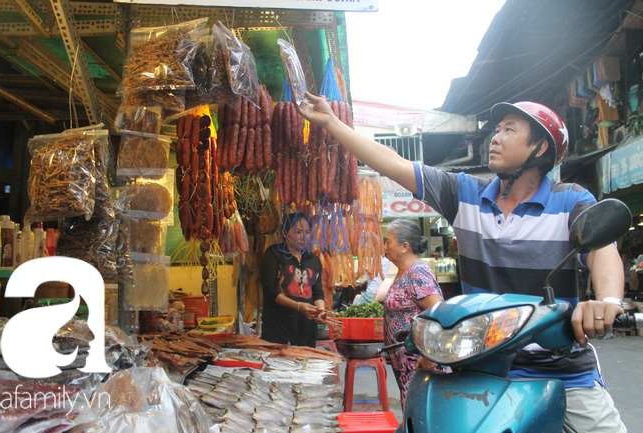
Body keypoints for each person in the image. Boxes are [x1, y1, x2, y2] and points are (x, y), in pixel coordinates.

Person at [298, 95, 626, 432]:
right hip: (479, 367)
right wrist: (332, 124)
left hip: (560, 370)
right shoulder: (465, 193)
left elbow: (603, 249)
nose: (495, 137)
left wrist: (607, 302)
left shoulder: (571, 199)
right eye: (496, 130)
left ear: (540, 148)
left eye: (509, 130)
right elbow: (391, 162)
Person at [381, 219, 443, 407]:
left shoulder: (417, 272)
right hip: (405, 364)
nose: (385, 246)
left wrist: (429, 356)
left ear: (404, 246)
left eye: (388, 241)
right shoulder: (403, 272)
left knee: (421, 415)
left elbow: (441, 313)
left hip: (419, 364)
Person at [259, 213, 335, 347]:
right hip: (277, 331)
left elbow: (317, 292)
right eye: (298, 232)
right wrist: (298, 306)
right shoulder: (274, 254)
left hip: (305, 333)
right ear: (284, 233)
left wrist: (321, 311)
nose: (303, 237)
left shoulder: (313, 260)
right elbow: (269, 290)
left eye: (306, 232)